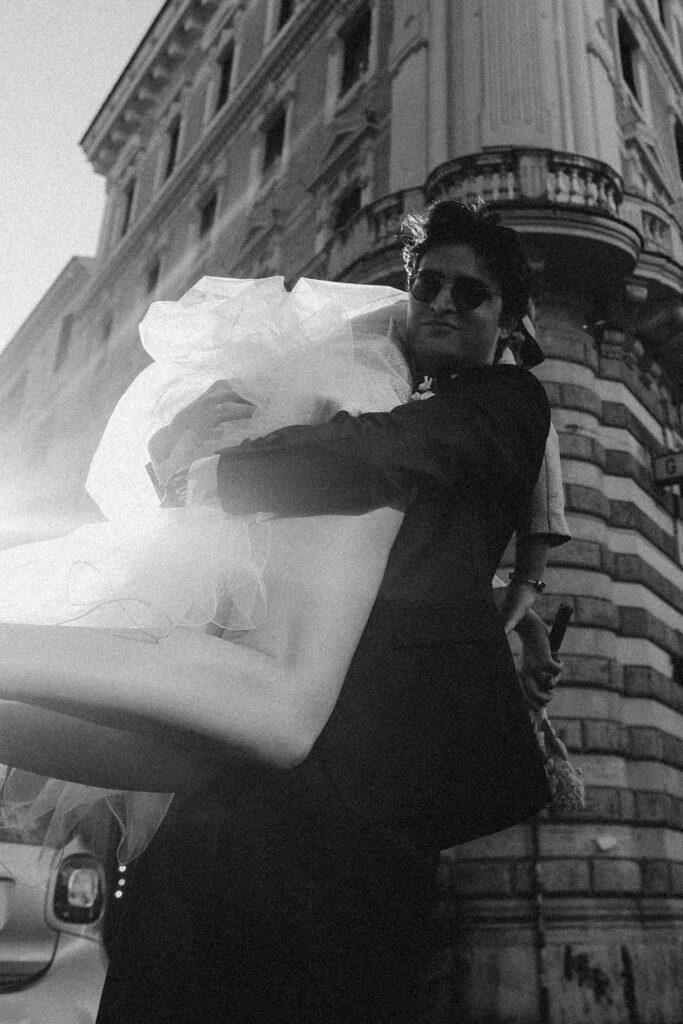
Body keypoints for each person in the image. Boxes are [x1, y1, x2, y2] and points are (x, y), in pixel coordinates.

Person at [0, 200, 559, 1021]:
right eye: (426, 284)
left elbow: (396, 450)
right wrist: (177, 458)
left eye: (468, 294)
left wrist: (217, 469)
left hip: (353, 807)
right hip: (221, 805)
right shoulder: (359, 396)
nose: (441, 302)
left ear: (507, 322)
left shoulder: (499, 400)